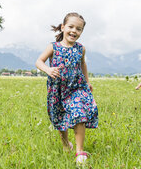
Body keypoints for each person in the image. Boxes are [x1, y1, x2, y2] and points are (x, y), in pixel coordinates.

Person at [36, 12, 98, 165]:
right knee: (59, 117)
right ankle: (65, 144)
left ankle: (80, 152)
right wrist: (48, 70)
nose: (74, 31)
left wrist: (87, 81)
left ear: (81, 32)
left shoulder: (80, 49)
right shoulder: (53, 47)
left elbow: (83, 64)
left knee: (79, 113)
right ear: (63, 27)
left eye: (79, 29)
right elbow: (39, 61)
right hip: (57, 89)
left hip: (76, 87)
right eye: (71, 27)